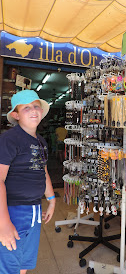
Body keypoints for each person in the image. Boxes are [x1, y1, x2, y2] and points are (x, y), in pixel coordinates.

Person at [0, 90, 56, 274]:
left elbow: (43, 170)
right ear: (15, 115)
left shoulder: (41, 141)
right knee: (9, 263)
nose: (33, 110)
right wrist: (3, 222)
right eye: (26, 108)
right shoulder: (9, 139)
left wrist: (51, 199)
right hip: (12, 210)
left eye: (36, 106)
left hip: (34, 210)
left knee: (24, 261)